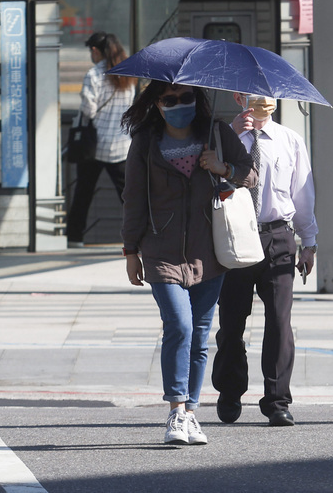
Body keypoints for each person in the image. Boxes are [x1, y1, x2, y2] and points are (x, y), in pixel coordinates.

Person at [120, 80, 257, 445]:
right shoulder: (146, 141)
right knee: (179, 325)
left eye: (186, 98)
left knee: (199, 335)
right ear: (158, 104)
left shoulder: (218, 133)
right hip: (160, 250)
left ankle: (191, 414)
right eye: (170, 99)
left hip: (209, 250)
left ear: (197, 100)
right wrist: (130, 249)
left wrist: (222, 166)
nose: (179, 104)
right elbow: (133, 196)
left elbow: (250, 174)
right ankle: (175, 411)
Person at [212, 93, 318, 427]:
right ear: (239, 97)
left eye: (268, 95)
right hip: (235, 235)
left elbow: (302, 192)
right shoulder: (221, 137)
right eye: (255, 95)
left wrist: (309, 241)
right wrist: (230, 135)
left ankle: (277, 400)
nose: (262, 101)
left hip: (277, 235)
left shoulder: (290, 139)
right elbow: (208, 181)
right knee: (231, 322)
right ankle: (230, 392)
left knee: (280, 321)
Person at [67, 31, 135, 248]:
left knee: (83, 193)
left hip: (94, 147)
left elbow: (89, 109)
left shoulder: (94, 74)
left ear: (96, 51)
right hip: (121, 146)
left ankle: (75, 237)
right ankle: (139, 236)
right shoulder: (128, 72)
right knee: (128, 197)